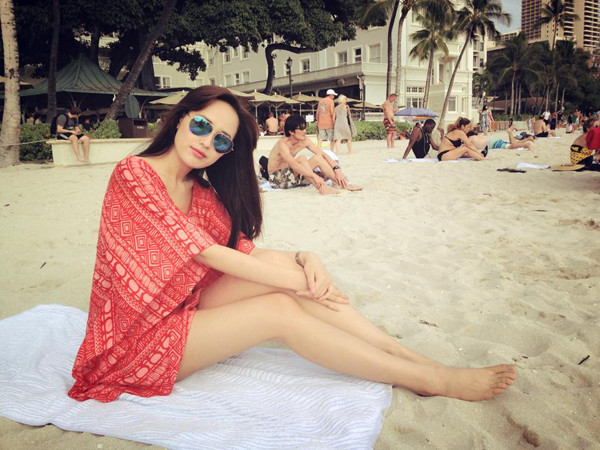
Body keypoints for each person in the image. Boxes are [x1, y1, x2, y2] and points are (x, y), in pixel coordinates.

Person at [68, 86, 515, 404]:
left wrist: (305, 259)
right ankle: (429, 378)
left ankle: (404, 354)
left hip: (181, 307)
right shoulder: (134, 174)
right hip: (132, 345)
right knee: (281, 307)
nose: (206, 142)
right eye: (201, 125)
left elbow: (244, 250)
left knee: (293, 277)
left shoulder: (200, 192)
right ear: (181, 117)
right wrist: (297, 284)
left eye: (221, 139)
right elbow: (207, 253)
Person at [267, 115, 362, 194]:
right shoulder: (282, 144)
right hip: (277, 179)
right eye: (301, 129)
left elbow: (322, 154)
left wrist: (337, 169)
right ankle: (322, 188)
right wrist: (314, 176)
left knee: (318, 158)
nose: (305, 131)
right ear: (291, 132)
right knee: (302, 158)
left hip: (291, 176)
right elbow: (294, 164)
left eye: (305, 128)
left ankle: (343, 184)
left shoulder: (304, 140)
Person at [472, 126, 537, 157]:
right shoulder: (477, 137)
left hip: (493, 144)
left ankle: (510, 133)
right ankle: (528, 139)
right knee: (513, 144)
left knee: (512, 146)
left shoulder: (471, 138)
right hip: (495, 141)